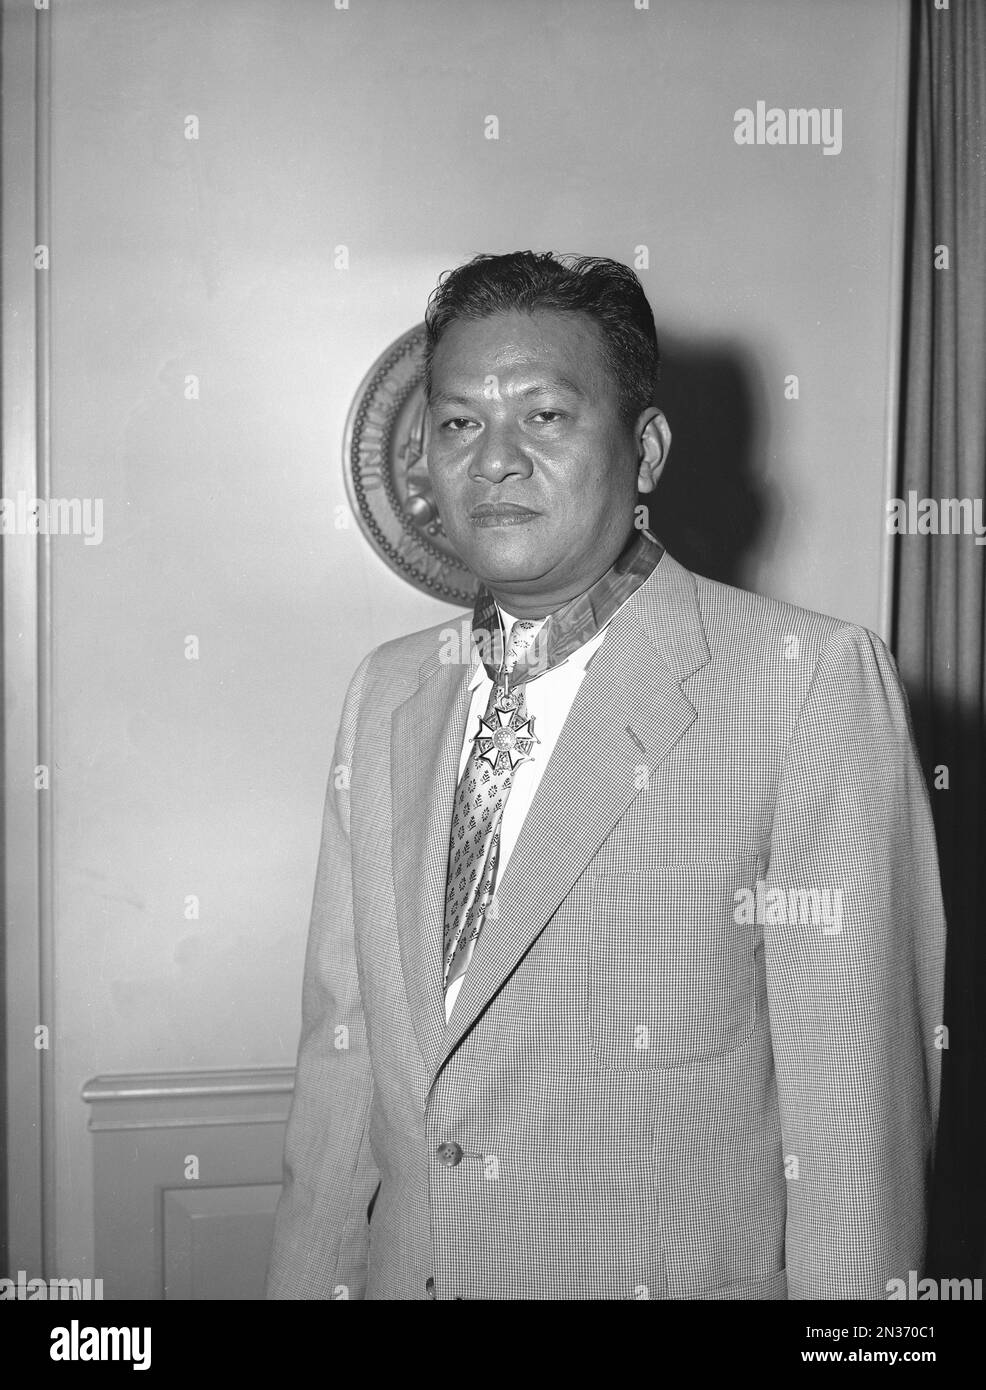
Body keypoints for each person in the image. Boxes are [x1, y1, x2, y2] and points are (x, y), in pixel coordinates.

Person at [266, 251, 945, 1301]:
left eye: (541, 416)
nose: (489, 461)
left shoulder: (804, 684)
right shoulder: (387, 695)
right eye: (455, 423)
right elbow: (338, 1071)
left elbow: (853, 1145)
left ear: (644, 450)